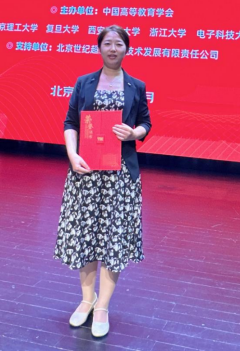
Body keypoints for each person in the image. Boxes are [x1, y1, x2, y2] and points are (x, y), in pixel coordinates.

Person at [54, 25, 152, 338]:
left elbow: (146, 123)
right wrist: (72, 155)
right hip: (86, 171)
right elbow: (70, 122)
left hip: (120, 175)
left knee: (113, 240)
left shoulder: (136, 86)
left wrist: (134, 133)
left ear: (127, 49)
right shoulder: (84, 82)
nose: (112, 49)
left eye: (118, 44)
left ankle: (103, 307)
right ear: (99, 48)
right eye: (107, 43)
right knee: (85, 236)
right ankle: (87, 300)